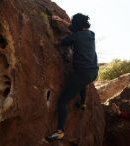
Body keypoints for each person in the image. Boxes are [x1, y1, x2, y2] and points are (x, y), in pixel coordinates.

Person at [45, 13, 98, 142]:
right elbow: (74, 28)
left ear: (77, 26)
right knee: (83, 83)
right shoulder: (91, 34)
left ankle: (60, 132)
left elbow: (61, 42)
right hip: (93, 72)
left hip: (82, 73)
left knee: (63, 101)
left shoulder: (75, 37)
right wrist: (62, 20)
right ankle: (83, 104)